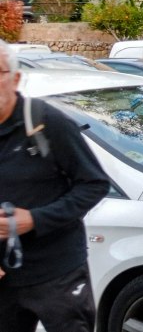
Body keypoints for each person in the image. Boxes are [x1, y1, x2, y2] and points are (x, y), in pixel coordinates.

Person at [0, 40, 111, 332]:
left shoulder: (46, 122)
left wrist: (34, 220)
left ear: (15, 78)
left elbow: (94, 184)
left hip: (57, 272)